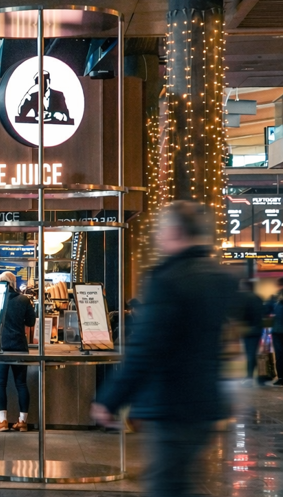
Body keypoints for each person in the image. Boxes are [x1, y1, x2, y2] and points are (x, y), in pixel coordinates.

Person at [92, 201, 237, 497]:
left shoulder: (168, 280)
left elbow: (147, 348)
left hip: (170, 405)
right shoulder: (220, 279)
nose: (158, 237)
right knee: (180, 482)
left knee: (166, 485)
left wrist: (110, 399)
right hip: (205, 403)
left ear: (174, 231)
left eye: (160, 230)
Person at [0, 271, 36, 432]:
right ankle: (22, 421)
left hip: (1, 347)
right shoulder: (24, 300)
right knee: (21, 384)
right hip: (19, 346)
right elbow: (31, 321)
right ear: (14, 283)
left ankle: (2, 421)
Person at [239, 280, 268, 384]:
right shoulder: (258, 297)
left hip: (248, 329)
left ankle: (249, 377)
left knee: (250, 354)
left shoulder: (244, 299)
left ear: (246, 287)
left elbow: (242, 314)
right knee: (257, 354)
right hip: (259, 329)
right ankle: (261, 378)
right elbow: (264, 312)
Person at [271, 278, 283, 386]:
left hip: (278, 330)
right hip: (278, 329)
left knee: (279, 355)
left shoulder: (274, 298)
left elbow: (266, 311)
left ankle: (280, 378)